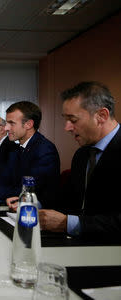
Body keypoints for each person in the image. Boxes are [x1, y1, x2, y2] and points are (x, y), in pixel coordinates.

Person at [40, 82, 121, 237]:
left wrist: (70, 224)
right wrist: (33, 203)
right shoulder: (82, 155)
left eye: (73, 120)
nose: (67, 127)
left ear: (101, 116)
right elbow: (69, 200)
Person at [4, 101, 60, 209]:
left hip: (40, 216)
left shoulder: (45, 149)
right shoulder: (16, 150)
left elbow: (29, 190)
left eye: (11, 123)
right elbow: (8, 183)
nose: (6, 128)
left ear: (29, 124)